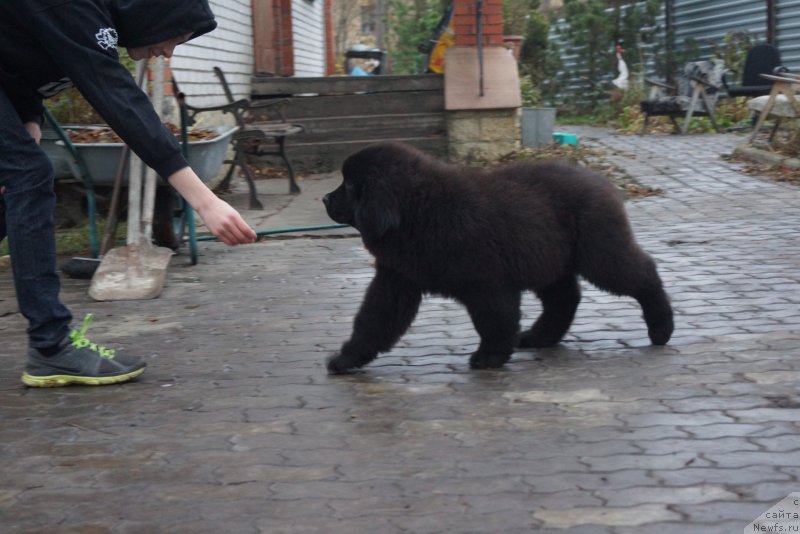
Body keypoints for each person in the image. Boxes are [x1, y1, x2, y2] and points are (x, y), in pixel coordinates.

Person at [0, 0, 257, 387]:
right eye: (176, 36)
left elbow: (18, 56)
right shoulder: (73, 6)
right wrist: (204, 200)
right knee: (30, 176)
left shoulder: (81, 16)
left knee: (19, 180)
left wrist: (29, 122)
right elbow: (118, 100)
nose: (169, 52)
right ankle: (51, 346)